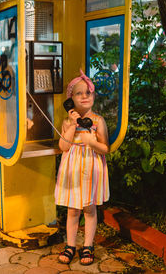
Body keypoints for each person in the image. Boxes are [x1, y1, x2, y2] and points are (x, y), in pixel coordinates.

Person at [55, 69, 110, 266]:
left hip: (91, 170)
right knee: (72, 210)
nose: (85, 96)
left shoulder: (98, 121)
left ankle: (88, 245)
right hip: (73, 171)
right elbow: (63, 147)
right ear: (70, 100)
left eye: (88, 92)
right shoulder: (67, 122)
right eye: (79, 93)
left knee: (89, 209)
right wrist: (72, 125)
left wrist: (92, 142)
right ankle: (71, 245)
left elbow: (105, 148)